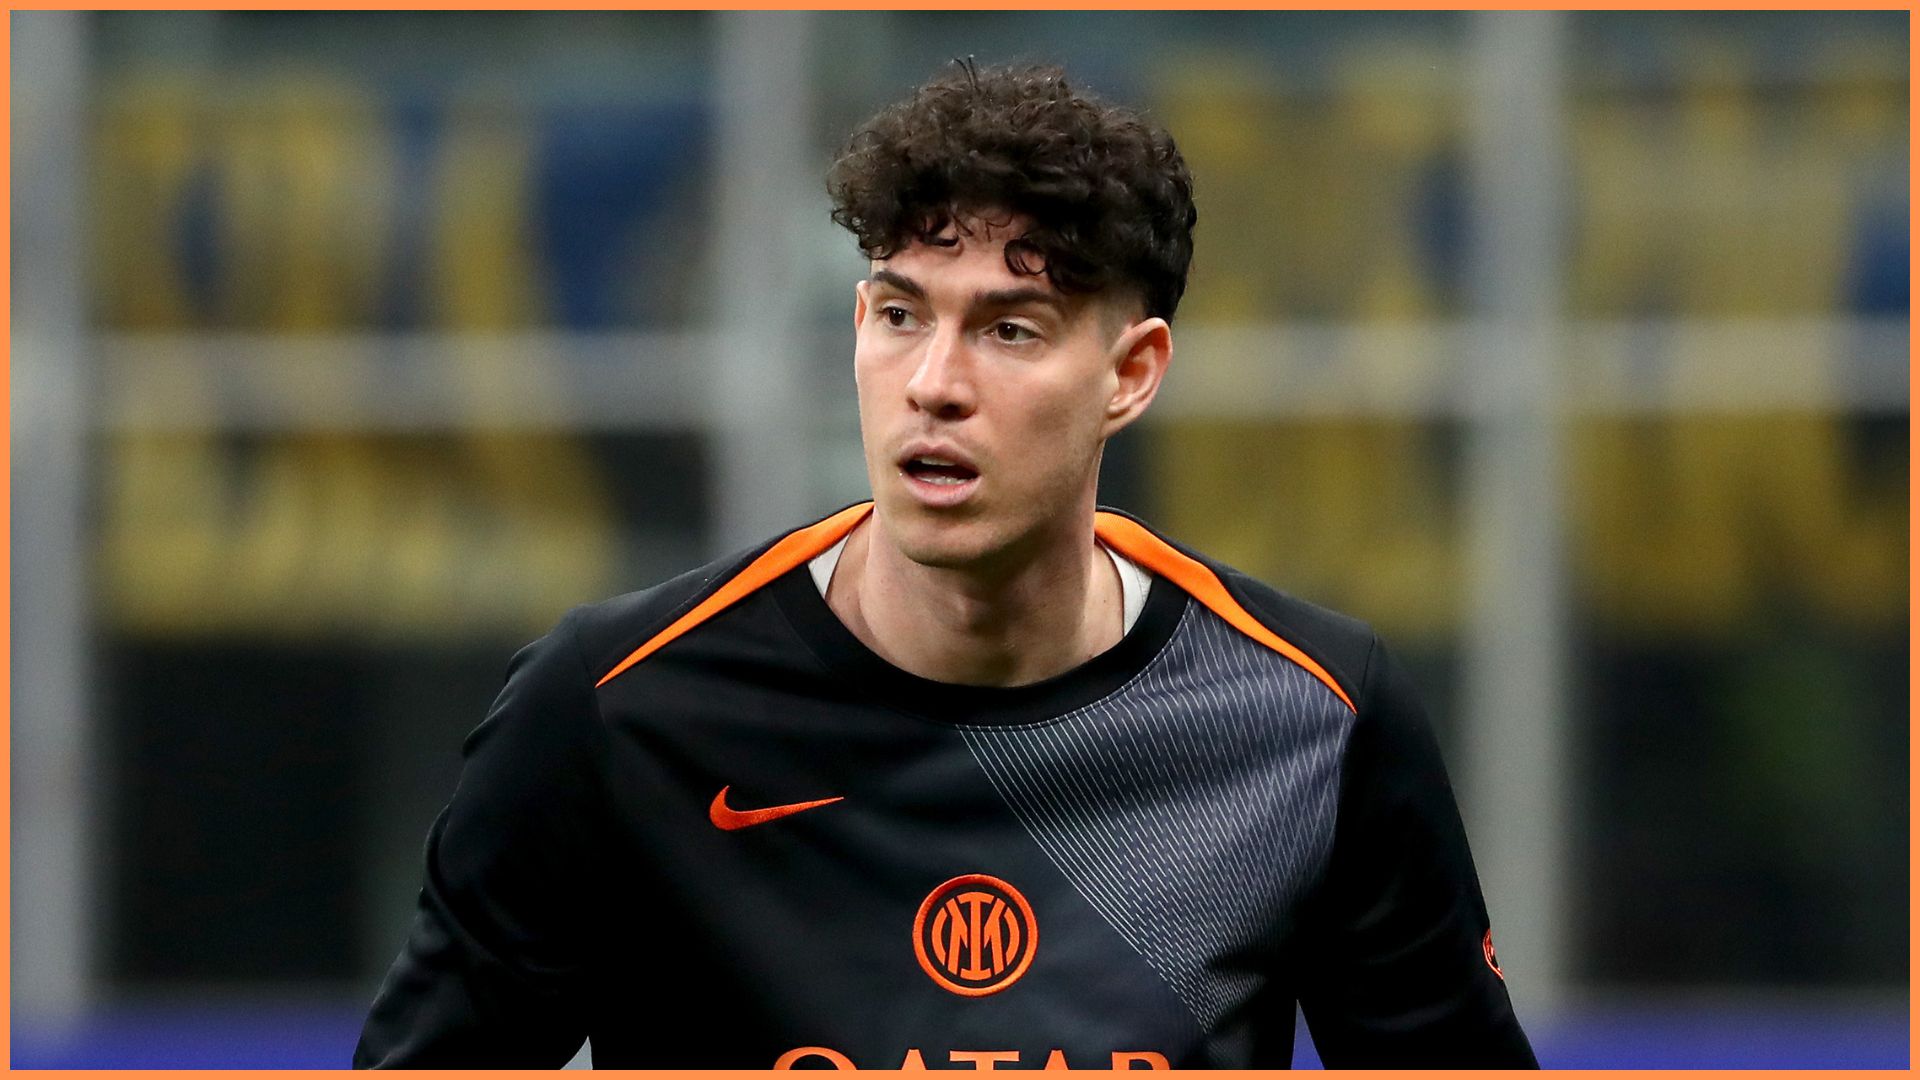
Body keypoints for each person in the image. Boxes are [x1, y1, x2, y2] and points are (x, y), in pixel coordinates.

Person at [354, 61, 1536, 1070]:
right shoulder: (617, 704)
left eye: (1009, 329)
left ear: (1131, 373)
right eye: (900, 315)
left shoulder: (1312, 710)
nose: (934, 383)